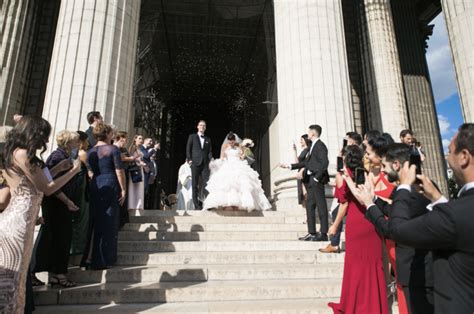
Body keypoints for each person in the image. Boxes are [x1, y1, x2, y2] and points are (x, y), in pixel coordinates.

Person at [355, 123, 474, 313]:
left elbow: (396, 229)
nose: (446, 158)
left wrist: (372, 203)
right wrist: (438, 198)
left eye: (449, 151)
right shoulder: (450, 207)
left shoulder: (449, 209)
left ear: (464, 157)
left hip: (424, 278)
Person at [0, 116, 81, 313]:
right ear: (34, 133)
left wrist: (56, 169)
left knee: (17, 279)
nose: (45, 141)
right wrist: (74, 171)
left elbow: (33, 181)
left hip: (22, 221)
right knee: (11, 281)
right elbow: (47, 188)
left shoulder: (16, 153)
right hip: (17, 223)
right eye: (44, 135)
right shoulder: (23, 154)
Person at [351, 143, 434, 314]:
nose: (383, 171)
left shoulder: (410, 192)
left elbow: (391, 229)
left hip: (419, 272)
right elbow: (395, 212)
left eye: (384, 166)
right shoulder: (418, 187)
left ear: (396, 165)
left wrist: (369, 205)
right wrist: (373, 199)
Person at [328, 145, 388, 314]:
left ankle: (357, 306)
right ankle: (372, 305)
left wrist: (334, 225)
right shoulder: (366, 174)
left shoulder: (347, 175)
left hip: (360, 222)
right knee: (365, 265)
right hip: (368, 221)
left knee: (359, 266)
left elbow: (352, 202)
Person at [34, 130, 81, 288]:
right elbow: (49, 183)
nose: (78, 144)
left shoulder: (65, 157)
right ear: (68, 143)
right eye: (75, 141)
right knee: (62, 237)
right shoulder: (57, 157)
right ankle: (59, 274)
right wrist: (67, 201)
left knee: (58, 237)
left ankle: (55, 274)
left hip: (60, 203)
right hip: (57, 203)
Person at [81, 122, 126, 270]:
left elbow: (90, 172)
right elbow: (119, 171)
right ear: (107, 134)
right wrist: (123, 189)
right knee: (109, 220)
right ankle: (105, 259)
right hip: (110, 183)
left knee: (95, 220)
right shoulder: (112, 149)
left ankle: (90, 258)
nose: (113, 135)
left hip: (96, 184)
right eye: (111, 133)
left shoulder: (90, 152)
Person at [281, 124, 330, 241]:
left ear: (313, 133)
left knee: (321, 206)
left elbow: (325, 163)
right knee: (309, 205)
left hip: (317, 180)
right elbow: (306, 163)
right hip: (312, 181)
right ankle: (312, 233)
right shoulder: (312, 146)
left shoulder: (320, 145)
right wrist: (289, 166)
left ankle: (323, 234)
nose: (307, 134)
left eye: (308, 132)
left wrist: (317, 178)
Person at [203, 132, 271, 211]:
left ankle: (238, 204)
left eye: (232, 141)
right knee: (228, 184)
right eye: (230, 141)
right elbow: (222, 158)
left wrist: (245, 151)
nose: (231, 142)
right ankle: (227, 204)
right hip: (228, 165)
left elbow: (242, 157)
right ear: (228, 140)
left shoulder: (239, 146)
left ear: (235, 140)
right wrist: (216, 164)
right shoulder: (225, 146)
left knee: (242, 183)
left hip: (238, 164)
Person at [70, 130, 90, 255]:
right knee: (82, 218)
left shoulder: (72, 153)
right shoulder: (82, 153)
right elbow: (90, 171)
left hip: (75, 187)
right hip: (82, 187)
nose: (88, 143)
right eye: (87, 140)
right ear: (82, 142)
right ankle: (78, 248)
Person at [186, 120, 213, 210]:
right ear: (197, 126)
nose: (202, 127)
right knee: (195, 185)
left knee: (207, 184)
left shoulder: (208, 139)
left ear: (205, 128)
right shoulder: (192, 137)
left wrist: (211, 160)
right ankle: (196, 205)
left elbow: (209, 152)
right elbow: (188, 149)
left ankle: (207, 204)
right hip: (195, 164)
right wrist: (189, 160)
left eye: (204, 126)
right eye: (201, 125)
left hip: (205, 165)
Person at [114, 131, 134, 226]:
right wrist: (130, 158)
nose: (126, 140)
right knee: (120, 196)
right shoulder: (115, 149)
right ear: (121, 138)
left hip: (124, 172)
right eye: (125, 138)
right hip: (118, 174)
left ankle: (122, 220)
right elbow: (120, 161)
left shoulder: (122, 148)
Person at [128, 135, 145, 210]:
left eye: (142, 139)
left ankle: (138, 205)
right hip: (135, 170)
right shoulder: (133, 148)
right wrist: (140, 163)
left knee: (138, 188)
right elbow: (132, 159)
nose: (141, 140)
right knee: (134, 188)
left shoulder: (139, 149)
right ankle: (133, 205)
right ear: (135, 139)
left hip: (139, 169)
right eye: (139, 138)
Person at [293, 134, 311, 208]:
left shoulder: (309, 150)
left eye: (301, 139)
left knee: (305, 193)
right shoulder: (303, 150)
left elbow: (307, 163)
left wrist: (302, 170)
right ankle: (306, 216)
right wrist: (295, 151)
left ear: (305, 140)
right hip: (300, 172)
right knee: (302, 194)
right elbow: (297, 163)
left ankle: (308, 216)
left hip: (304, 172)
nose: (300, 141)